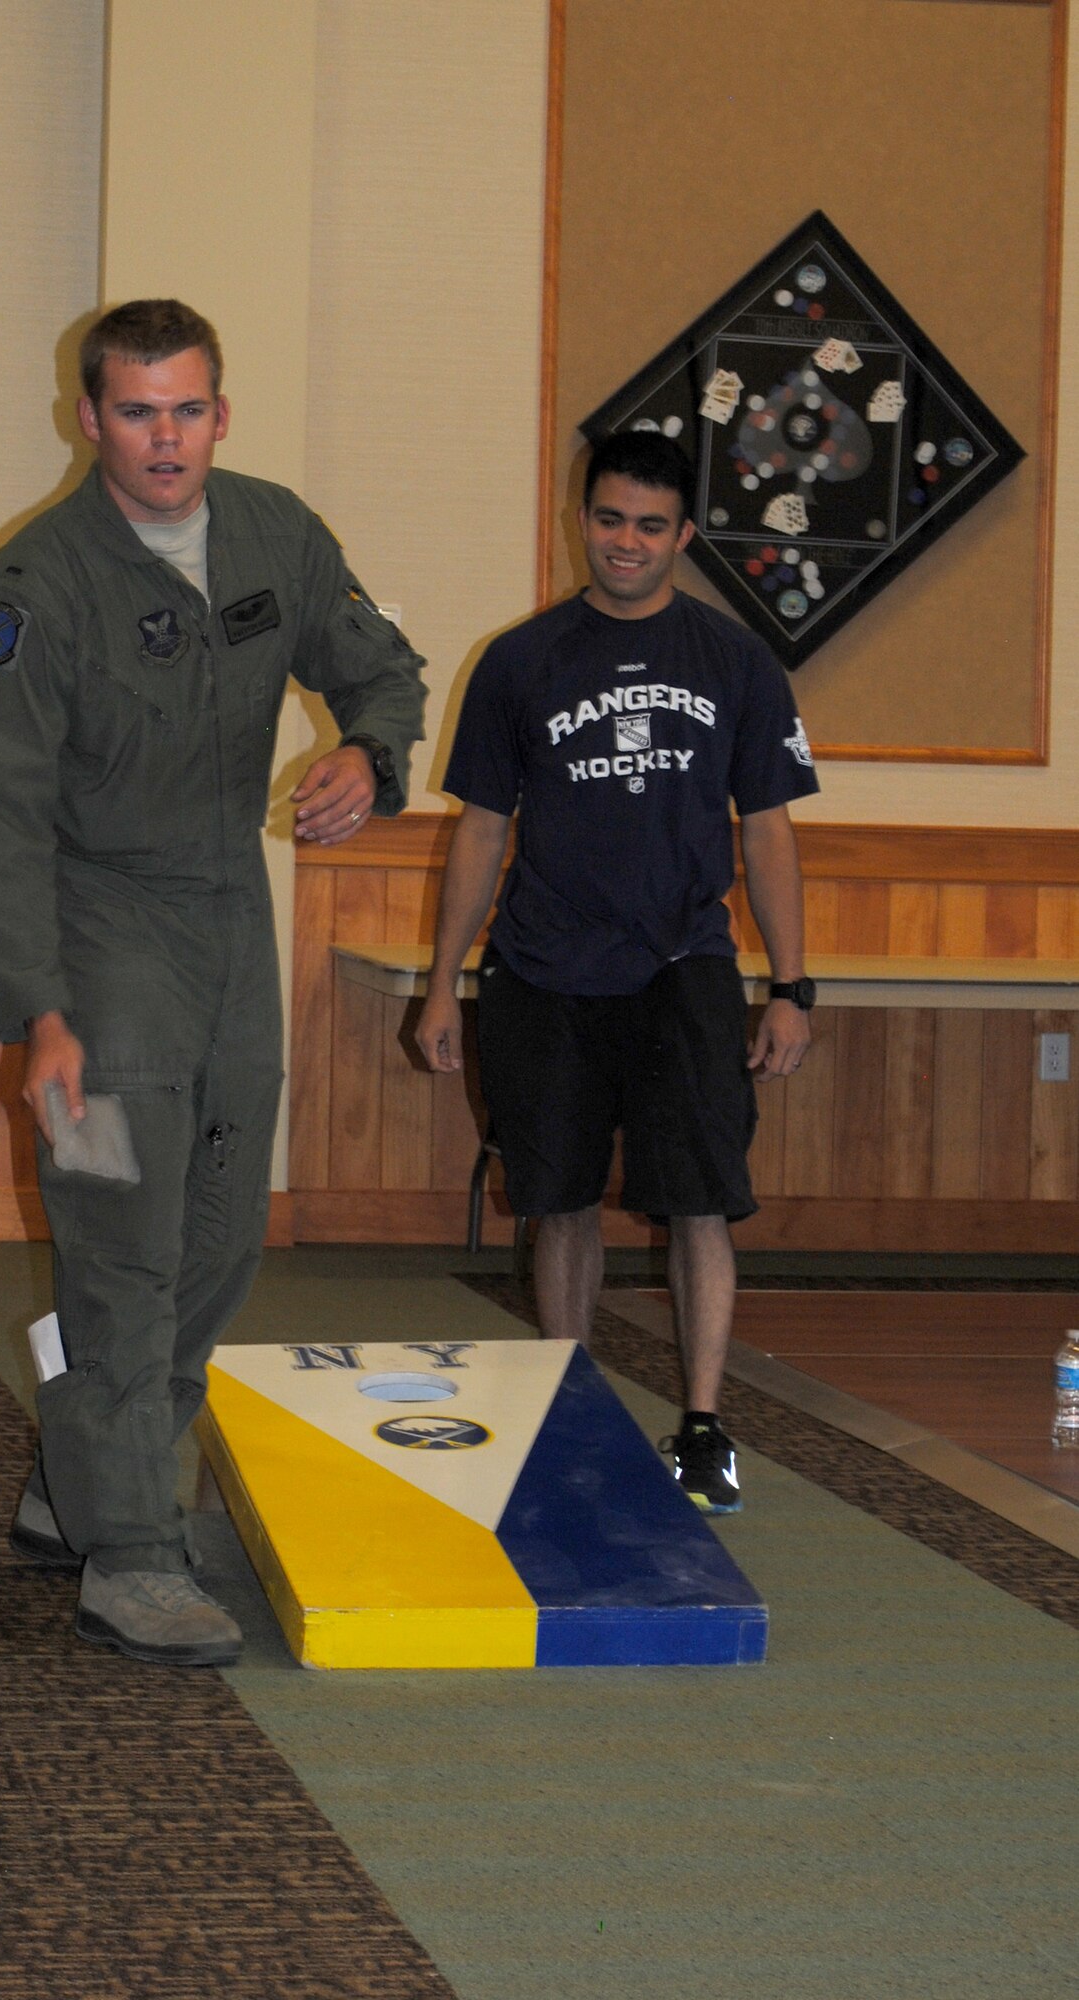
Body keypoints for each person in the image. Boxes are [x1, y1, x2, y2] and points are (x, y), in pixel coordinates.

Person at [0, 299, 425, 1663]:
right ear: (88, 418)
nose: (165, 439)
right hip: (95, 941)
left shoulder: (277, 532)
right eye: (137, 411)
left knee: (219, 1234)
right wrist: (36, 1015)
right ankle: (132, 1553)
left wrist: (370, 755)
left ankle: (76, 1484)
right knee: (118, 1237)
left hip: (229, 924)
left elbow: (378, 668)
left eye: (187, 409)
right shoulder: (28, 591)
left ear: (222, 412)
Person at [415, 430, 819, 1514]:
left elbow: (769, 831)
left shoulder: (735, 663)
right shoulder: (519, 660)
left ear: (683, 535)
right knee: (557, 1202)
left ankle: (700, 1427)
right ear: (578, 520)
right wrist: (443, 977)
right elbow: (481, 830)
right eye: (607, 520)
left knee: (700, 1203)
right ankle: (569, 1409)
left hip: (681, 968)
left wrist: (789, 986)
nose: (625, 543)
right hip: (542, 969)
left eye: (649, 525)